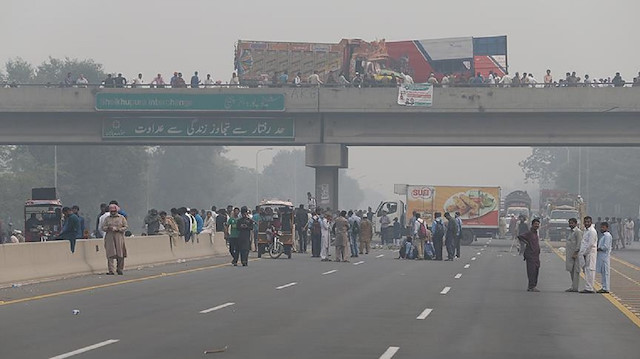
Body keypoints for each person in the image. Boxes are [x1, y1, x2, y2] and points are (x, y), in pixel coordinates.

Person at [102, 204, 128, 275]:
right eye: (111, 211)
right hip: (110, 237)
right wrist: (108, 228)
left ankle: (120, 269)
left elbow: (125, 227)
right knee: (110, 254)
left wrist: (118, 229)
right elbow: (103, 227)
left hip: (119, 237)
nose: (113, 212)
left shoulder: (121, 218)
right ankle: (111, 270)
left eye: (114, 211)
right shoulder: (107, 219)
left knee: (120, 254)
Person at [518, 218, 541, 292]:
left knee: (536, 271)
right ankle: (531, 286)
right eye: (535, 224)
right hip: (530, 255)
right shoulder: (529, 233)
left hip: (536, 255)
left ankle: (533, 286)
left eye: (538, 224)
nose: (537, 225)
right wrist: (526, 242)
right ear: (532, 224)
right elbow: (520, 236)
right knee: (531, 271)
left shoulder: (535, 233)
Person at [578, 216, 598, 294]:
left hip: (589, 253)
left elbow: (590, 244)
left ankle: (589, 288)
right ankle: (587, 286)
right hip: (585, 253)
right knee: (586, 270)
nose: (586, 223)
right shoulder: (586, 231)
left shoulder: (592, 231)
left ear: (591, 222)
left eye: (588, 222)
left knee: (590, 270)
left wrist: (585, 254)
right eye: (585, 222)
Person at [565, 218, 583, 292]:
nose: (570, 224)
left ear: (575, 224)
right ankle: (573, 286)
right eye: (570, 223)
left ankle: (575, 288)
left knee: (576, 271)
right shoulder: (571, 232)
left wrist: (576, 252)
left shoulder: (577, 232)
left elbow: (579, 243)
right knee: (571, 270)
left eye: (572, 223)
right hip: (570, 255)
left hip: (575, 255)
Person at [596, 222, 613, 293]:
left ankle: (606, 288)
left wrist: (598, 248)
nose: (601, 229)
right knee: (603, 273)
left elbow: (606, 247)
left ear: (606, 228)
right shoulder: (603, 235)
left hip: (604, 256)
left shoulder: (607, 236)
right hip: (601, 256)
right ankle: (603, 287)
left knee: (605, 273)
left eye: (603, 227)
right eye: (601, 227)